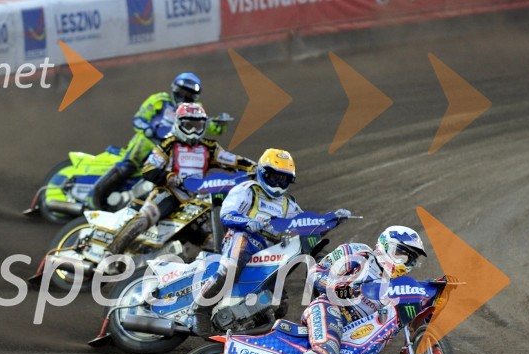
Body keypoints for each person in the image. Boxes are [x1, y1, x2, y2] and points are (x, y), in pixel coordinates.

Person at [260, 226, 428, 354]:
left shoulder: (399, 287)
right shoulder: (359, 254)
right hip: (329, 309)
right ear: (385, 246)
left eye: (410, 259)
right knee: (327, 349)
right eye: (400, 253)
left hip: (355, 334)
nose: (404, 262)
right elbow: (316, 272)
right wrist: (337, 285)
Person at [189, 149, 351, 335]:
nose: (277, 184)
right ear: (261, 172)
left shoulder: (289, 205)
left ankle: (245, 326)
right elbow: (227, 215)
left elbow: (306, 227)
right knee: (231, 267)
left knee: (280, 304)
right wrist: (249, 223)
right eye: (273, 177)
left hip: (271, 252)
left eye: (283, 179)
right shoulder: (248, 190)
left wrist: (332, 221)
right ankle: (200, 309)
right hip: (243, 238)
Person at [105, 102, 255, 257]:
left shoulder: (210, 147)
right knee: (147, 215)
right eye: (189, 125)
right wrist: (168, 177)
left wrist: (256, 168)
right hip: (169, 193)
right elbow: (148, 168)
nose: (193, 131)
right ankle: (111, 251)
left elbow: (234, 160)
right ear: (178, 124)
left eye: (197, 126)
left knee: (211, 241)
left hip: (194, 202)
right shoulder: (168, 144)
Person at [91, 73, 229, 208]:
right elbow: (139, 119)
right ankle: (95, 195)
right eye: (181, 93)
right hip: (148, 142)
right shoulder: (160, 100)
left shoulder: (194, 109)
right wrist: (148, 129)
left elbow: (205, 124)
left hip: (171, 149)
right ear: (174, 90)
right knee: (128, 166)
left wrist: (220, 124)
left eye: (189, 97)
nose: (184, 99)